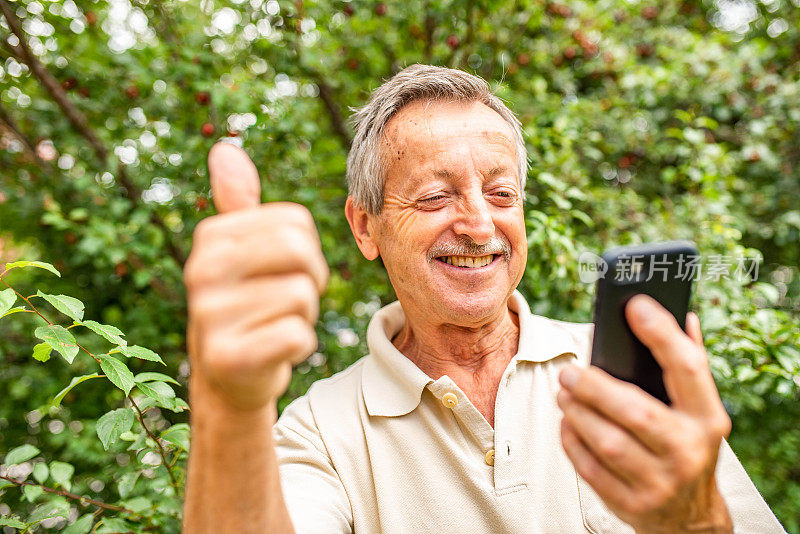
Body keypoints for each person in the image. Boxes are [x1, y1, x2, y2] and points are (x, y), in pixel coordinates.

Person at [182, 65, 785, 533]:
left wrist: (694, 523)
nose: (477, 224)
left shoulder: (621, 373)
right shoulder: (320, 430)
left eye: (501, 194)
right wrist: (228, 408)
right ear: (365, 228)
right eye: (435, 196)